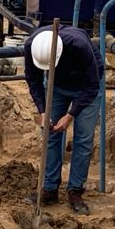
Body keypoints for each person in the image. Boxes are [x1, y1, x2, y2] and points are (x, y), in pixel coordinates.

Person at [24, 24, 101, 215]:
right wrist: (43, 112)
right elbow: (33, 82)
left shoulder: (79, 47)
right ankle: (49, 188)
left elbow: (92, 86)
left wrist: (70, 115)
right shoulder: (31, 46)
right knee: (50, 133)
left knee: (83, 139)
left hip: (86, 86)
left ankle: (75, 191)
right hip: (56, 86)